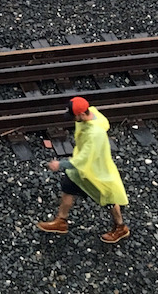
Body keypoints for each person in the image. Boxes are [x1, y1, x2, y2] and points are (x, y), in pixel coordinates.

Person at [37, 96, 130, 243]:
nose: (73, 119)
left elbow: (81, 161)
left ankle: (120, 227)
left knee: (109, 198)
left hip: (95, 172)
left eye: (74, 116)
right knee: (67, 187)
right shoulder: (92, 112)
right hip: (81, 171)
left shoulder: (94, 134)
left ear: (81, 115)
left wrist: (59, 164)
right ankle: (61, 220)